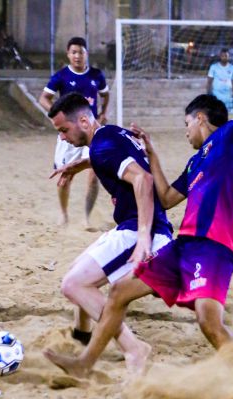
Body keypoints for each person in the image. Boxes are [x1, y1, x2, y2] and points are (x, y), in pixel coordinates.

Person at [43, 27, 233, 377]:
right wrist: (153, 153)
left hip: (213, 246)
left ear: (201, 118)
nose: (185, 130)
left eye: (186, 124)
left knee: (209, 323)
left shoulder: (231, 136)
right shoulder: (196, 163)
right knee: (118, 293)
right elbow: (165, 196)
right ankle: (83, 366)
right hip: (183, 246)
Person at [45, 92, 173, 372]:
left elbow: (143, 179)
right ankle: (82, 335)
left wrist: (142, 237)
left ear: (82, 120)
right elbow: (107, 156)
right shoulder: (108, 133)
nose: (63, 138)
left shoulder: (102, 146)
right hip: (133, 225)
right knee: (77, 270)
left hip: (143, 230)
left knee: (73, 284)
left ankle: (135, 349)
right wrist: (79, 164)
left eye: (64, 130)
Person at [39, 36, 108, 227]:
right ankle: (63, 213)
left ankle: (87, 217)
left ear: (87, 54)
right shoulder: (61, 76)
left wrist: (103, 113)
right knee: (65, 175)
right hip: (70, 136)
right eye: (74, 52)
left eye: (81, 52)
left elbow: (105, 94)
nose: (78, 56)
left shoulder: (96, 75)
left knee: (95, 173)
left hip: (91, 133)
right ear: (68, 55)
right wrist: (58, 116)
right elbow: (44, 98)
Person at [206, 48, 233, 114]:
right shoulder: (213, 67)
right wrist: (208, 94)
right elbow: (209, 82)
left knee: (227, 116)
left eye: (226, 56)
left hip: (228, 96)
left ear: (229, 56)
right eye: (222, 56)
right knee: (217, 115)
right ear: (220, 56)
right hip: (216, 95)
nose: (224, 57)